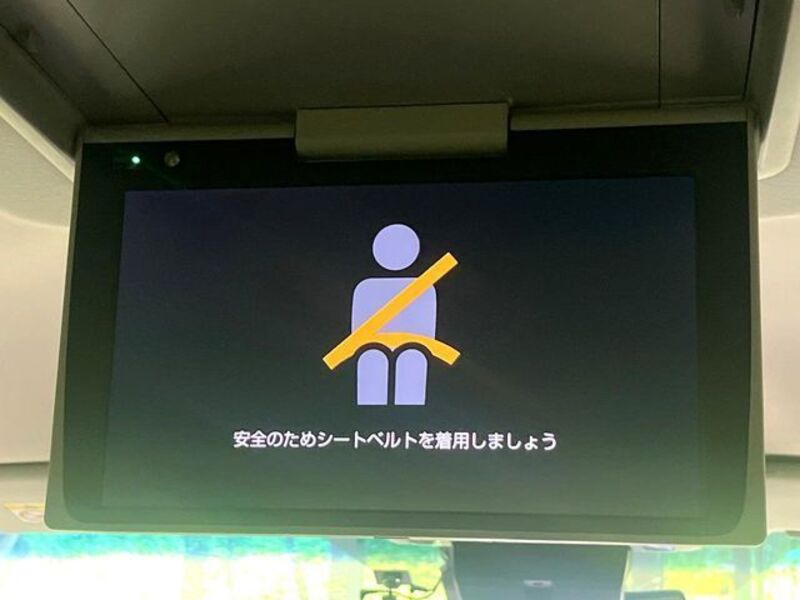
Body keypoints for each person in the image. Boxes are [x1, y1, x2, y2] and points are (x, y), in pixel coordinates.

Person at [351, 224, 437, 405]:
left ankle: (409, 407)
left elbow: (428, 329)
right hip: (371, 345)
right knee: (371, 358)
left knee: (413, 358)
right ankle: (371, 407)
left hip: (414, 345)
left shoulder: (426, 289)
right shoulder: (365, 288)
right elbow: (356, 331)